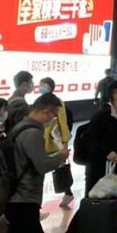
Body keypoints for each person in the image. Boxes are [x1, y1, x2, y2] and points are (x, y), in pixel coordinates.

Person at [0, 93, 70, 233]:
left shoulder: (19, 128)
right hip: (23, 199)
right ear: (46, 111)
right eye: (53, 115)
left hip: (18, 198)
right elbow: (42, 165)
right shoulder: (32, 133)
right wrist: (61, 155)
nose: (52, 119)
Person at [39, 78, 75, 208]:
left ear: (50, 87)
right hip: (41, 141)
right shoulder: (39, 101)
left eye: (44, 85)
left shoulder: (57, 102)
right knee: (40, 174)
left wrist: (64, 143)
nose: (41, 87)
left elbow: (63, 122)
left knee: (60, 169)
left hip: (54, 143)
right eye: (40, 85)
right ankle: (38, 203)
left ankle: (68, 193)